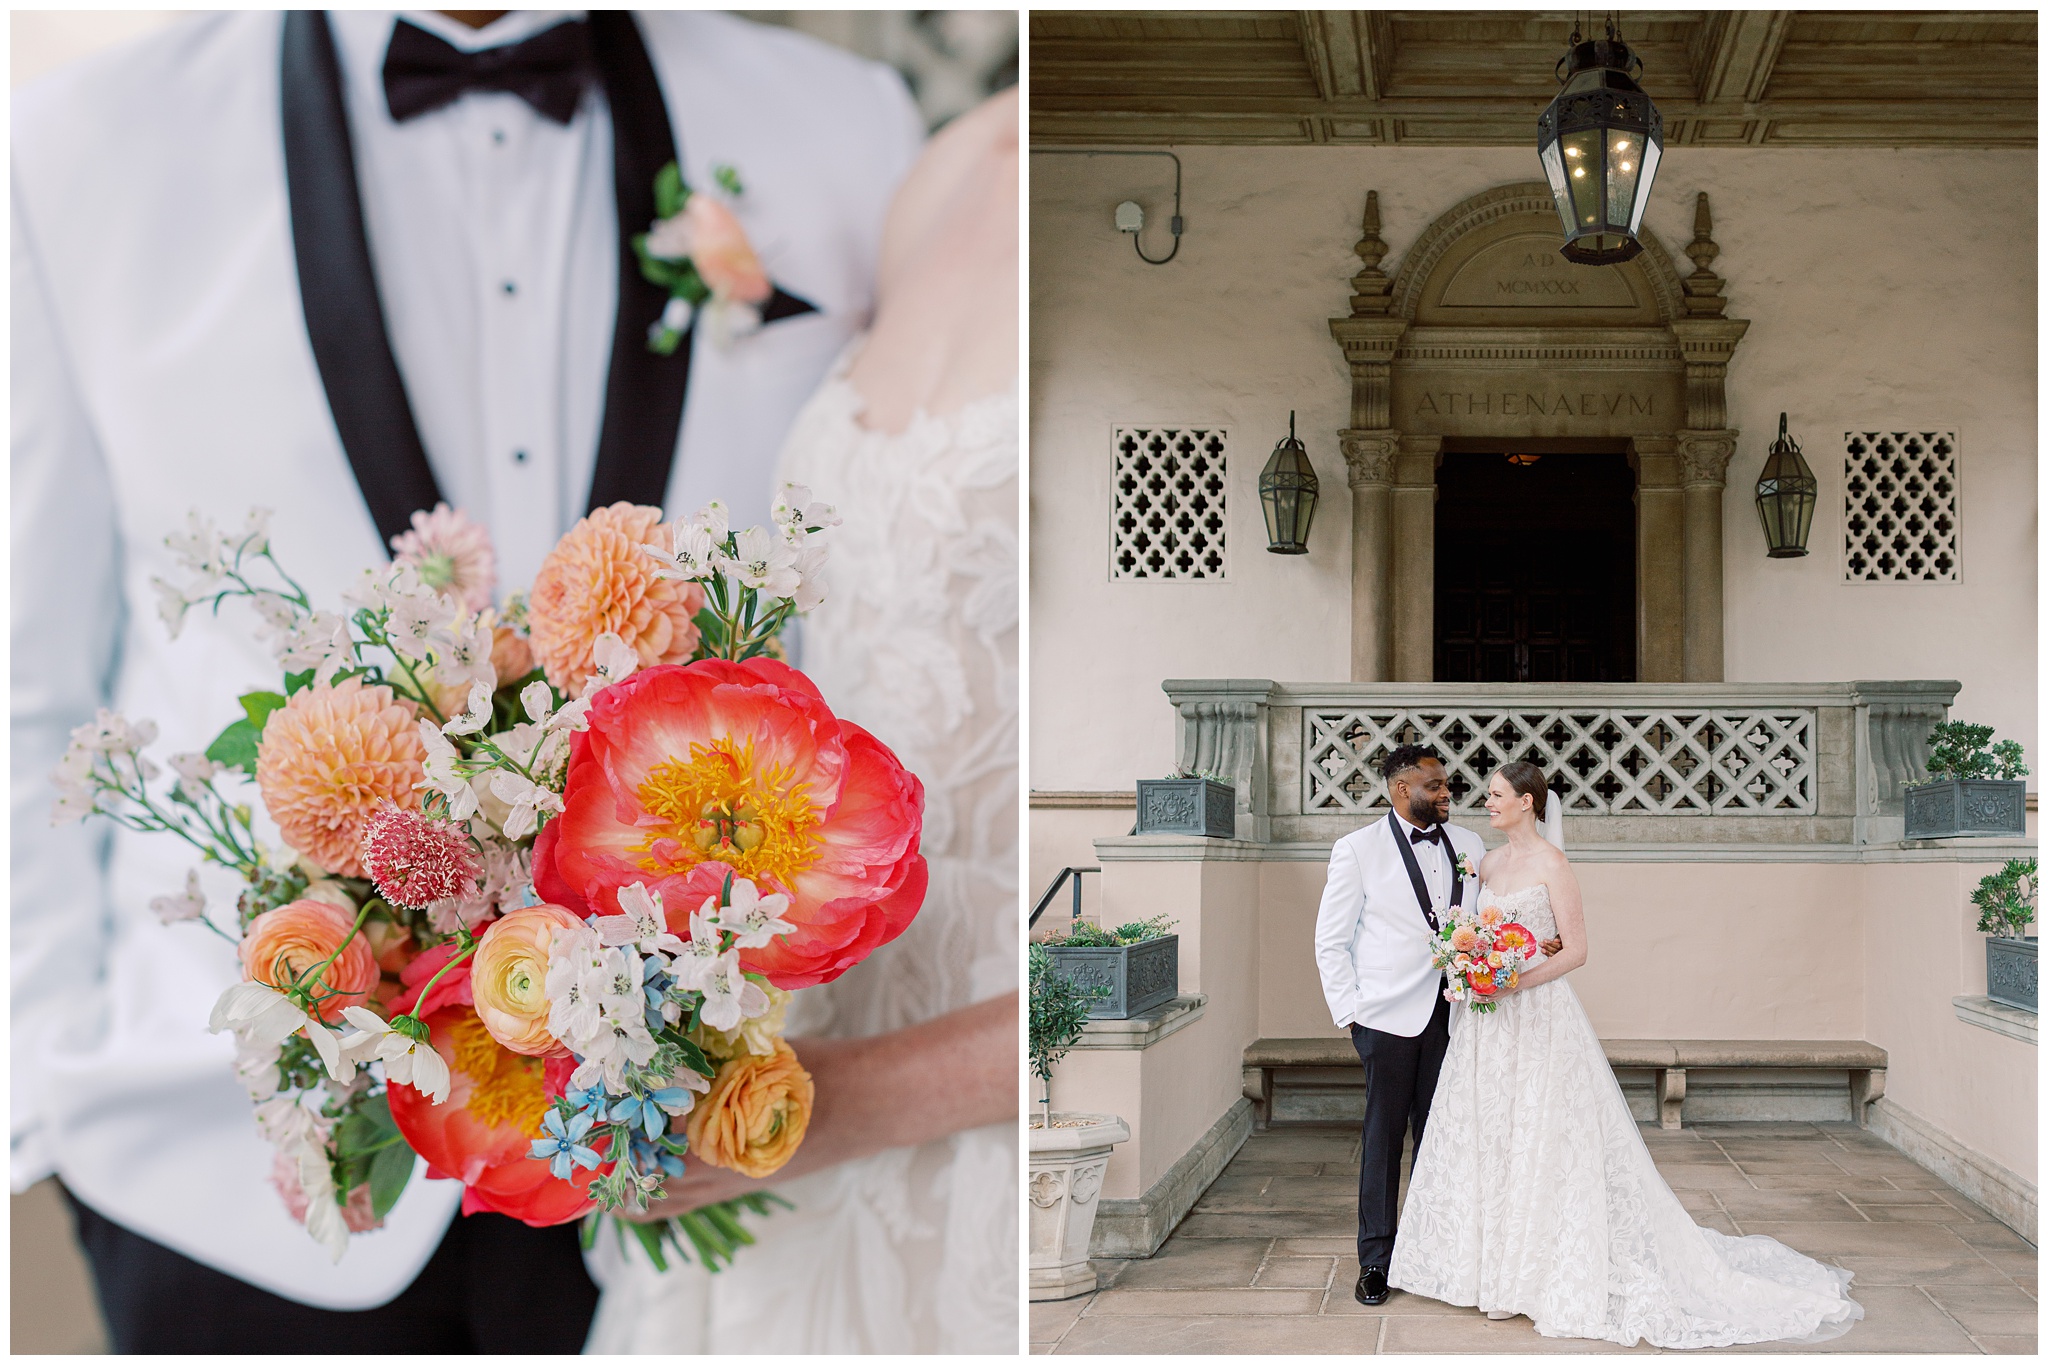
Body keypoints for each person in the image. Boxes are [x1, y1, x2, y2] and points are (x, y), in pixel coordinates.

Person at [12, 10, 922, 1350]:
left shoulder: (846, 128)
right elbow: (26, 665)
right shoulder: (80, 142)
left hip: (699, 1179)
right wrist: (37, 1098)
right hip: (223, 1173)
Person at [582, 84, 1020, 1355]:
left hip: (959, 1106)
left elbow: (1145, 883)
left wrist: (834, 1106)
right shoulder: (940, 165)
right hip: (784, 1052)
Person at [1389, 760, 1865, 1347]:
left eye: (1495, 795)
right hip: (1488, 1026)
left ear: (1528, 803)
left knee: (1544, 1135)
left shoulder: (1553, 865)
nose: (1485, 803)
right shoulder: (1487, 864)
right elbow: (1476, 933)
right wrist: (1472, 965)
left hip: (1536, 1016)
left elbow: (1577, 951)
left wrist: (1515, 979)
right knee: (1494, 1134)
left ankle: (1535, 1272)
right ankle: (1489, 1269)